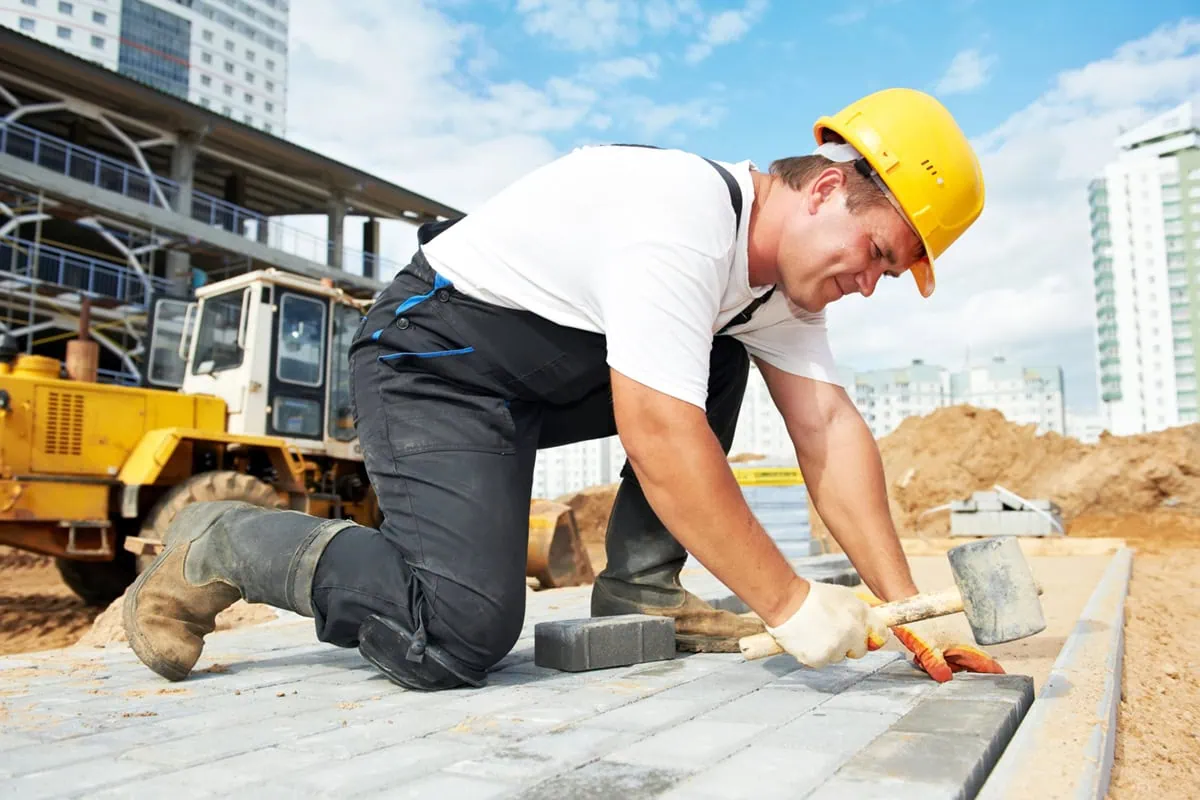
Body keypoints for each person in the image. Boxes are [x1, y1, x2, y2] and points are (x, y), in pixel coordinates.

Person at [123, 87, 1004, 691]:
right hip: (431, 363)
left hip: (535, 380)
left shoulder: (775, 293)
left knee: (722, 351)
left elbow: (829, 431)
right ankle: (222, 539)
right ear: (823, 189)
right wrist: (790, 602)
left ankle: (642, 587)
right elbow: (658, 430)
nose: (873, 282)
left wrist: (907, 611)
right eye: (880, 255)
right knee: (456, 636)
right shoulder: (682, 217)